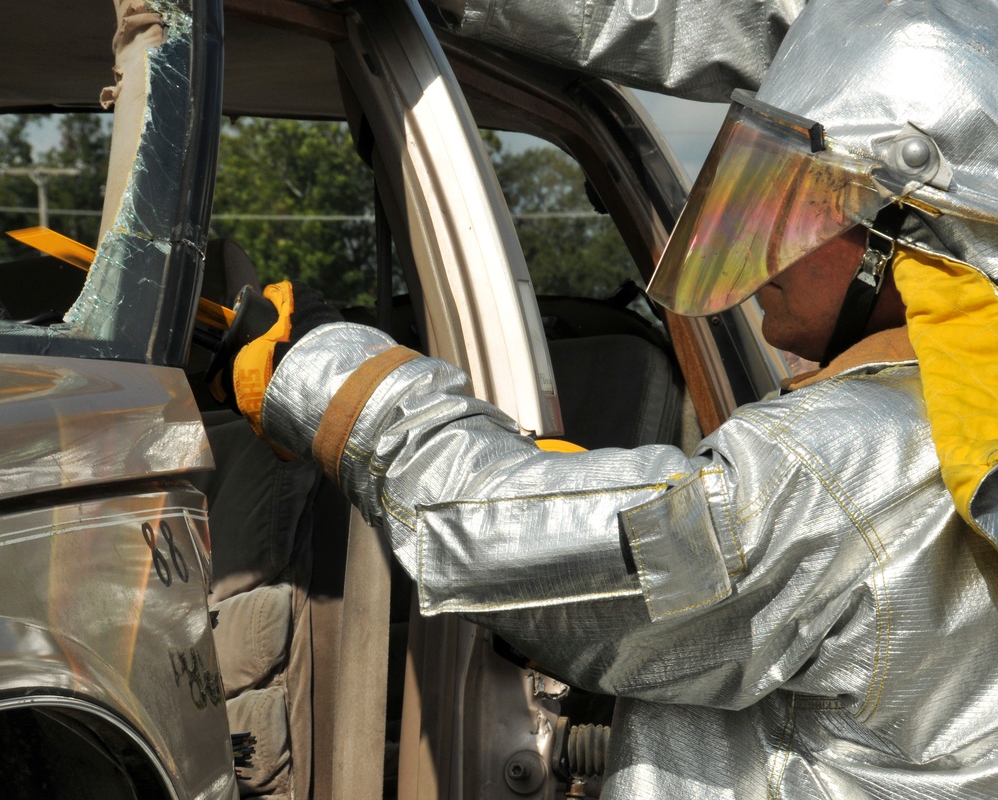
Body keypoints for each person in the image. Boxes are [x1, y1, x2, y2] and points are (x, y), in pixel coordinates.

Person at [221, 0, 998, 796]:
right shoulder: (964, 426)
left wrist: (323, 374)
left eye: (799, 202)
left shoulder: (836, 464)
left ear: (907, 234)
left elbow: (504, 543)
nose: (762, 237)